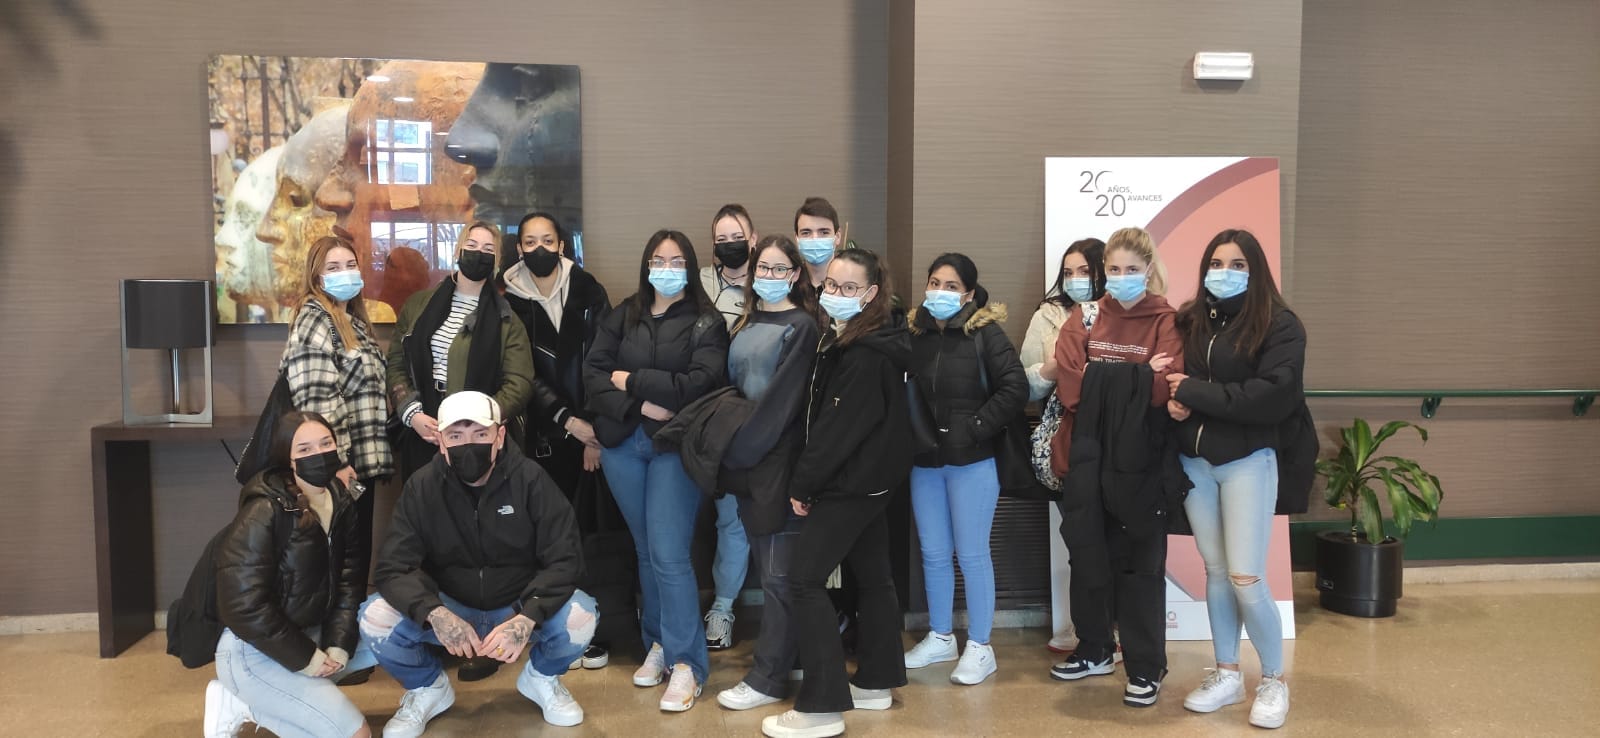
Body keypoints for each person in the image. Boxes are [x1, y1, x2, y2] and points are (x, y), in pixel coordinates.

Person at [359, 392, 597, 733]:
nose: (468, 445)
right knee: (375, 617)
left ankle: (542, 677)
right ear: (441, 441)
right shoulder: (422, 487)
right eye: (456, 436)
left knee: (581, 615)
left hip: (516, 606)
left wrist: (527, 616)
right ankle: (427, 687)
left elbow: (566, 559)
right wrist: (434, 613)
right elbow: (393, 567)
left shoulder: (531, 480)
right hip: (451, 608)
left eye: (480, 434)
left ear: (499, 436)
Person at [761, 248, 910, 738]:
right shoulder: (855, 337)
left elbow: (835, 431)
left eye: (850, 288)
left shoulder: (865, 352)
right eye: (832, 286)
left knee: (804, 581)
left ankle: (822, 706)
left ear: (871, 294)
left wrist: (804, 484)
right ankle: (876, 681)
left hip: (851, 483)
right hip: (872, 482)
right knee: (875, 577)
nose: (837, 294)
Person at [584, 229, 730, 712]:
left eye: (676, 261)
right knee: (646, 551)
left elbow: (698, 385)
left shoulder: (707, 322)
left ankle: (688, 664)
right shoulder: (624, 314)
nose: (666, 269)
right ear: (646, 265)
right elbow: (593, 376)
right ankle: (660, 643)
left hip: (675, 447)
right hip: (624, 445)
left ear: (690, 267)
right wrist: (642, 403)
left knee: (669, 554)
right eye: (658, 260)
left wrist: (632, 380)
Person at [1167, 229, 1305, 730]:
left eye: (1238, 264)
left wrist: (1193, 393)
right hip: (1195, 463)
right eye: (1217, 262)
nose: (1224, 272)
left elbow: (1270, 395)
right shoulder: (1191, 319)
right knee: (1218, 572)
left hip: (1248, 461)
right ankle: (1227, 673)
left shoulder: (1280, 325)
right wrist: (1174, 401)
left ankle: (1273, 679)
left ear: (1256, 270)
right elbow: (1172, 378)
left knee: (1247, 577)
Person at [1048, 226, 1183, 708]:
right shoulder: (1085, 317)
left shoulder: (1165, 320)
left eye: (1131, 269)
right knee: (1086, 554)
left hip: (1143, 462)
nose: (1122, 277)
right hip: (1086, 456)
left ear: (1148, 270)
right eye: (1114, 269)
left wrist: (1103, 376)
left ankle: (1145, 666)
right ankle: (1094, 649)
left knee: (1141, 564)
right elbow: (1071, 389)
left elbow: (1164, 390)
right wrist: (1139, 374)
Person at [204, 411, 370, 738]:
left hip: (312, 635)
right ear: (287, 460)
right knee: (356, 735)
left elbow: (349, 584)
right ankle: (245, 696)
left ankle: (253, 704)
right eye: (304, 449)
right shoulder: (265, 510)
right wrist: (306, 658)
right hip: (253, 651)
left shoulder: (342, 502)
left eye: (325, 444)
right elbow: (242, 606)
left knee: (387, 626)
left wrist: (338, 645)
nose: (318, 454)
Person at [902, 253, 1028, 686]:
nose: (940, 291)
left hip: (973, 461)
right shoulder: (914, 334)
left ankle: (980, 645)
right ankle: (941, 636)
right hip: (925, 462)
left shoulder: (985, 333)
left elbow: (1015, 387)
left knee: (972, 554)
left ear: (970, 293)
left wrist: (975, 427)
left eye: (951, 286)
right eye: (934, 282)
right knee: (933, 553)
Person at [501, 210, 614, 671]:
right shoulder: (507, 300)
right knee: (543, 536)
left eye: (548, 240)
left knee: (591, 535)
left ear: (562, 245)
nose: (540, 249)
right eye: (530, 241)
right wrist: (567, 420)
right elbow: (521, 372)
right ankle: (550, 629)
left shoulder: (589, 290)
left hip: (594, 434)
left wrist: (593, 432)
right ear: (519, 249)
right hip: (541, 435)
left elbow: (605, 359)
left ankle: (591, 630)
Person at [714, 235, 822, 711]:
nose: (771, 277)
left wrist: (738, 449)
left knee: (779, 578)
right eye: (764, 268)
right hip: (746, 463)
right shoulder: (748, 320)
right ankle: (782, 661)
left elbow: (782, 404)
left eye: (781, 269)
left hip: (779, 461)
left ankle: (768, 679)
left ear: (795, 275)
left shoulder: (803, 327)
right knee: (768, 572)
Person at [281, 235, 393, 606]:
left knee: (353, 558)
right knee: (339, 561)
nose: (344, 273)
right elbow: (317, 401)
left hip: (358, 465)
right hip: (338, 468)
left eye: (350, 265)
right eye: (333, 267)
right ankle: (335, 633)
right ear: (317, 277)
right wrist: (337, 463)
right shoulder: (315, 319)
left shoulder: (351, 322)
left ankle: (349, 630)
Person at [386, 221, 535, 484]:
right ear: (458, 251)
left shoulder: (507, 319)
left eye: (488, 249)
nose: (479, 253)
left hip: (477, 436)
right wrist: (412, 414)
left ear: (496, 261)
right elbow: (397, 363)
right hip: (424, 426)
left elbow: (519, 382)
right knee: (424, 500)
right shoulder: (418, 305)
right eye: (472, 245)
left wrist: (479, 421)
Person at [1020, 237, 1106, 654]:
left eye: (1084, 271)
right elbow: (1024, 382)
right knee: (1079, 539)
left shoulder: (1122, 313)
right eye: (1068, 272)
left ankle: (1113, 629)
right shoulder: (1048, 315)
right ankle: (1081, 627)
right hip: (1067, 434)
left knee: (1117, 539)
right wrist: (1055, 368)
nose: (1075, 280)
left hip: (1116, 435)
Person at [696, 203, 759, 652]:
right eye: (721, 239)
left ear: (753, 239)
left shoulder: (771, 281)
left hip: (762, 417)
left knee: (767, 521)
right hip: (710, 417)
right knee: (726, 519)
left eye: (737, 237)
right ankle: (718, 607)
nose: (730, 245)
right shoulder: (699, 284)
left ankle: (785, 615)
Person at [794, 197, 844, 289]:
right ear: (797, 239)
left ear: (837, 236)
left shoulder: (851, 284)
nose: (815, 239)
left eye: (824, 232)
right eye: (806, 233)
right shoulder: (789, 286)